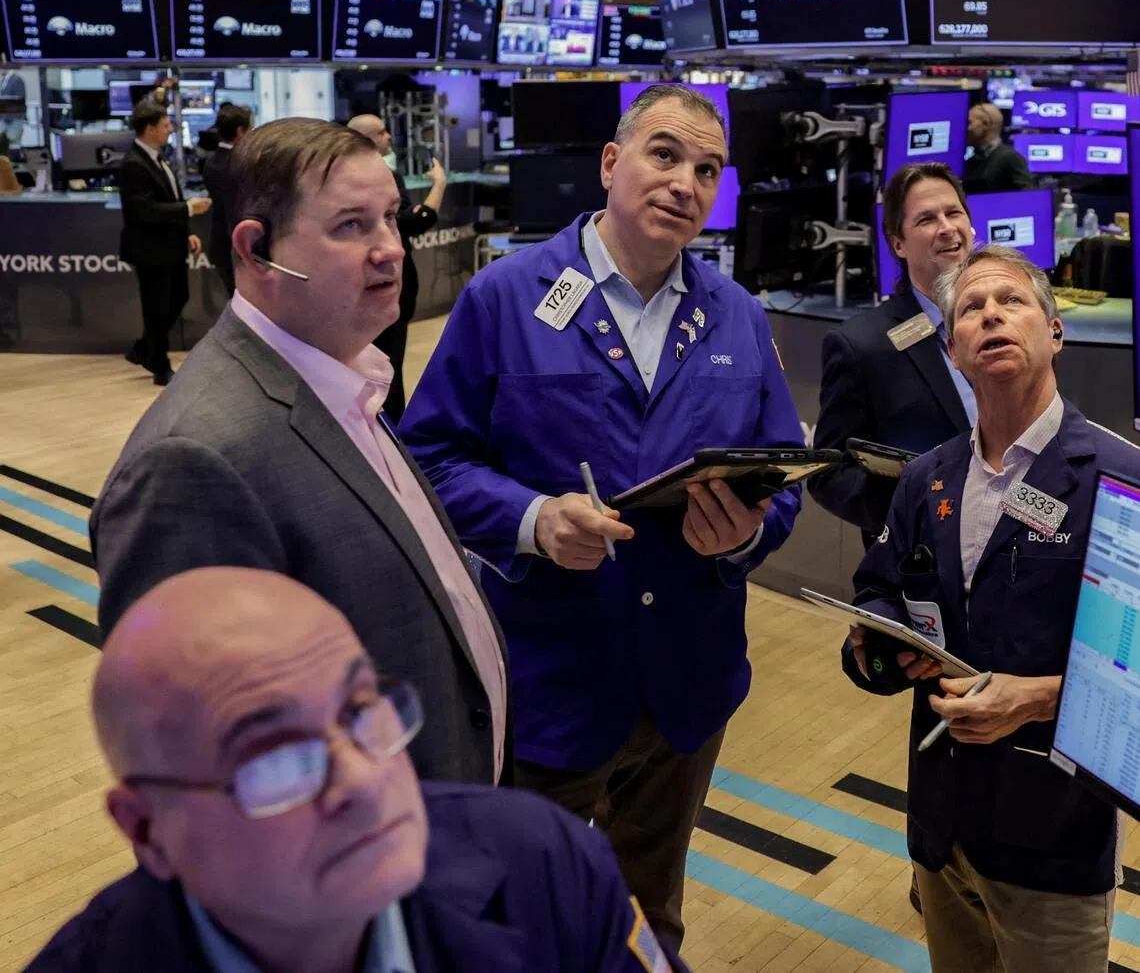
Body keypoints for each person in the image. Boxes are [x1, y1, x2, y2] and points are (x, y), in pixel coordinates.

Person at [400, 84, 804, 946]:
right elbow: (427, 459)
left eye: (707, 169)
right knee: (525, 925)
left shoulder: (735, 314)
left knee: (651, 916)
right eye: (665, 155)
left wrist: (748, 536)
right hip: (551, 682)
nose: (685, 184)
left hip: (688, 691)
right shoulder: (507, 298)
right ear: (612, 163)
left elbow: (785, 477)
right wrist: (534, 519)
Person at [91, 117, 506, 788]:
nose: (392, 249)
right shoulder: (193, 463)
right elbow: (206, 776)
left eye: (391, 218)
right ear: (256, 249)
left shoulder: (349, 382)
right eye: (351, 226)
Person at [25, 567, 689, 973]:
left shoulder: (547, 863)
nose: (366, 783)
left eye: (362, 711)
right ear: (146, 832)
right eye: (279, 760)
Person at [842, 244, 1139, 973]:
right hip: (943, 838)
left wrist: (1038, 699)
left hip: (1054, 846)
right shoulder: (927, 478)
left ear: (1055, 330)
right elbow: (878, 589)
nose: (990, 316)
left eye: (1011, 301)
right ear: (952, 351)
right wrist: (876, 649)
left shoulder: (1119, 479)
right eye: (970, 309)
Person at [810, 163, 978, 547]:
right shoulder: (862, 346)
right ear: (898, 243)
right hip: (921, 565)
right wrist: (917, 511)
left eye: (954, 213)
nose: (947, 227)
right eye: (926, 219)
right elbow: (828, 473)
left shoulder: (1004, 323)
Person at [346, 113, 447, 422]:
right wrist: (439, 185)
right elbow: (415, 222)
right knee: (383, 366)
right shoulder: (369, 180)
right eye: (381, 132)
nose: (388, 136)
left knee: (385, 366)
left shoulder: (378, 175)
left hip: (385, 286)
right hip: (379, 286)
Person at [119, 99, 211, 386]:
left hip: (169, 245)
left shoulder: (158, 158)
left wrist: (185, 231)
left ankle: (145, 348)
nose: (170, 129)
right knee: (156, 308)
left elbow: (166, 200)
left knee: (178, 297)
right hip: (150, 249)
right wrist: (188, 209)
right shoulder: (134, 164)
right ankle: (159, 365)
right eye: (165, 125)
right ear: (149, 129)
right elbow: (144, 211)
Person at [202, 104, 253, 297]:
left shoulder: (211, 162)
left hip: (221, 245)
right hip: (243, 247)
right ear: (241, 131)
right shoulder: (242, 163)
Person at [962, 103, 1034, 194]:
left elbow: (1029, 197)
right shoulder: (970, 163)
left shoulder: (1011, 159)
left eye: (969, 123)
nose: (965, 128)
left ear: (986, 124)